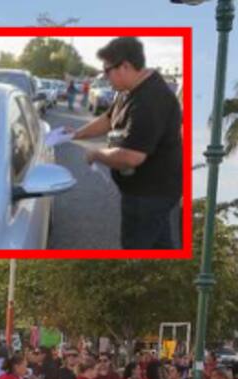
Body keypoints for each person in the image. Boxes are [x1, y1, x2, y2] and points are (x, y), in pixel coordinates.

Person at [69, 37, 183, 249]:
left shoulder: (150, 100)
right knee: (160, 245)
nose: (105, 77)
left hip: (149, 195)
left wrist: (96, 154)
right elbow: (107, 119)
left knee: (136, 250)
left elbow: (131, 156)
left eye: (107, 71)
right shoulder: (127, 90)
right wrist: (76, 134)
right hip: (146, 193)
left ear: (125, 66)